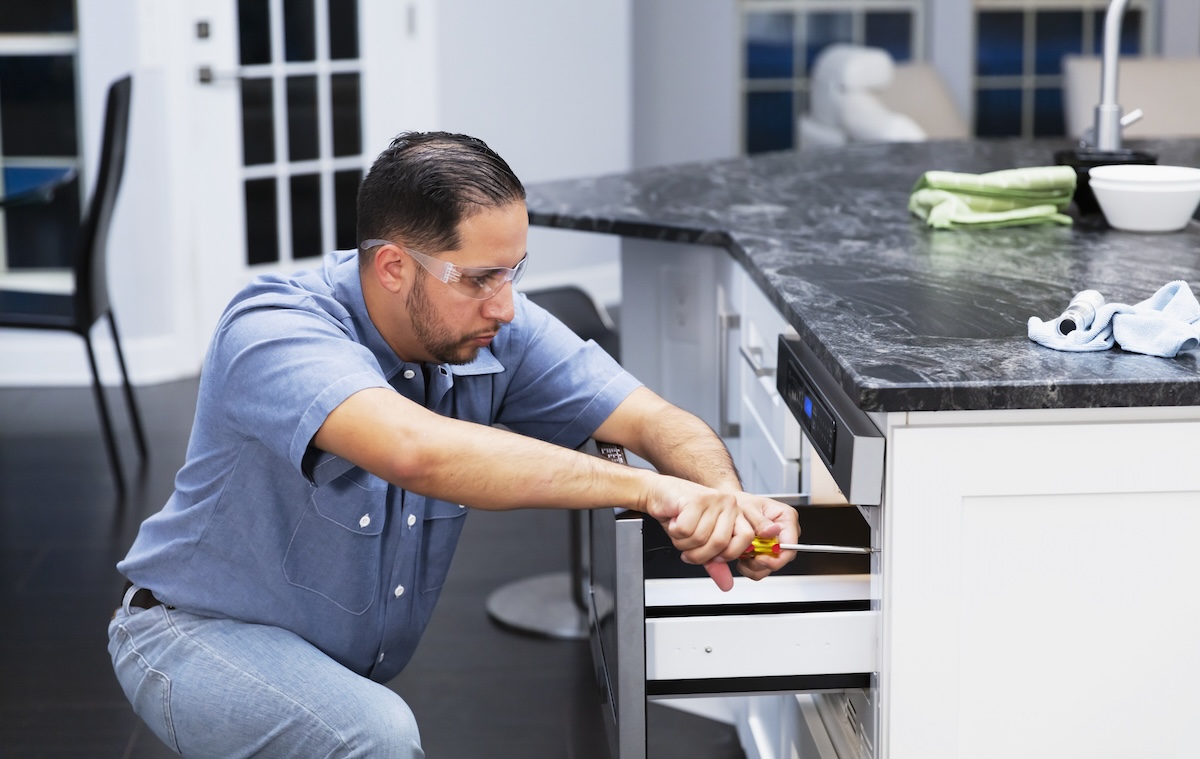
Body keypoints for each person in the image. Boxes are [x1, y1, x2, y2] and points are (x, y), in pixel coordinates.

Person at [108, 131, 800, 758]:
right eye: (478, 278)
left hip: (325, 660)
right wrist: (653, 489)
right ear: (390, 268)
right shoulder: (275, 329)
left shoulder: (490, 326)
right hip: (191, 635)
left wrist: (727, 503)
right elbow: (419, 452)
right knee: (373, 736)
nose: (504, 303)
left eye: (513, 272)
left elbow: (655, 421)